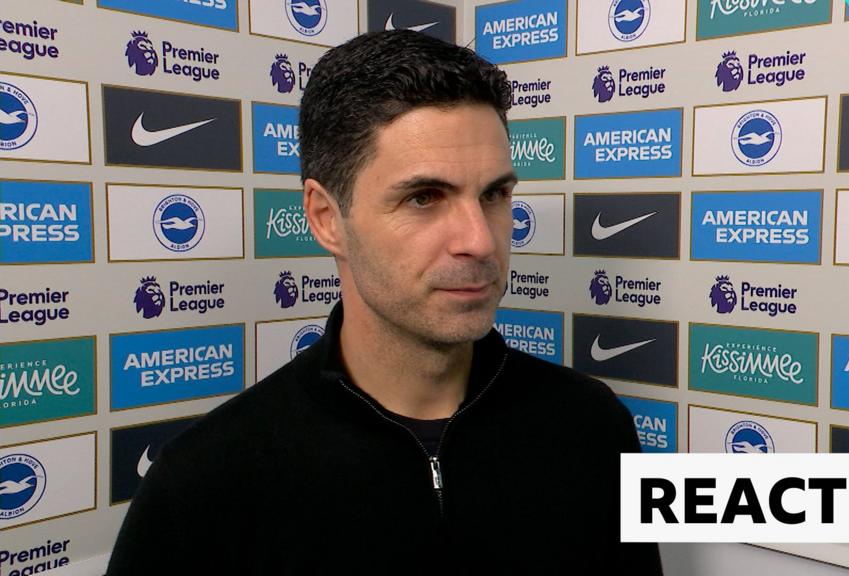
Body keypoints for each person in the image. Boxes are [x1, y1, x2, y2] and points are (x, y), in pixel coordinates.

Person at [106, 30, 663, 575]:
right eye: (424, 197)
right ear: (326, 218)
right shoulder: (202, 486)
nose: (480, 240)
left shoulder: (592, 425)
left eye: (494, 194)